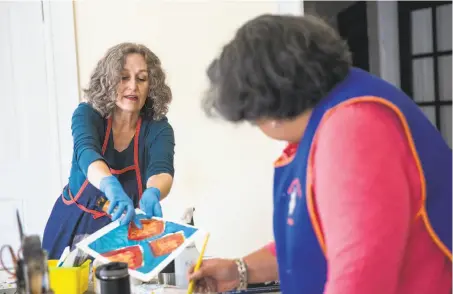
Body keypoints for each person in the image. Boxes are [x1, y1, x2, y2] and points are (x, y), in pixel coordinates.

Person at [188, 14, 452, 294]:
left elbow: (360, 276)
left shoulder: (351, 130)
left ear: (271, 110)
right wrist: (240, 270)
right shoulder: (333, 114)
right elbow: (312, 241)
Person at [42, 43, 175, 259]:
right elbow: (86, 152)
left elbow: (162, 169)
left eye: (141, 79)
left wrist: (154, 192)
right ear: (108, 80)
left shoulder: (158, 128)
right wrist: (109, 184)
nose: (133, 86)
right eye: (123, 77)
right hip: (71, 224)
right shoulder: (87, 114)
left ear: (151, 86)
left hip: (121, 230)